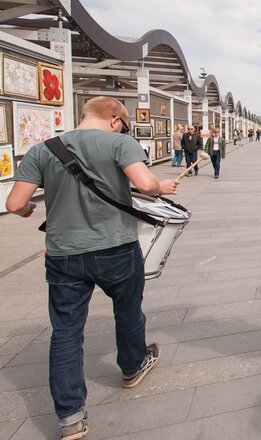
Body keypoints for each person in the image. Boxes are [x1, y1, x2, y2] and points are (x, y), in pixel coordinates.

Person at [5, 96, 179, 440]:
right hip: (115, 247)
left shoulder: (44, 149)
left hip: (63, 254)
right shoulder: (120, 143)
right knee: (128, 312)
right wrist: (162, 186)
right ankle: (132, 367)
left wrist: (27, 213)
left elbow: (14, 203)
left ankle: (70, 417)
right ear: (115, 119)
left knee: (66, 332)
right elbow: (145, 185)